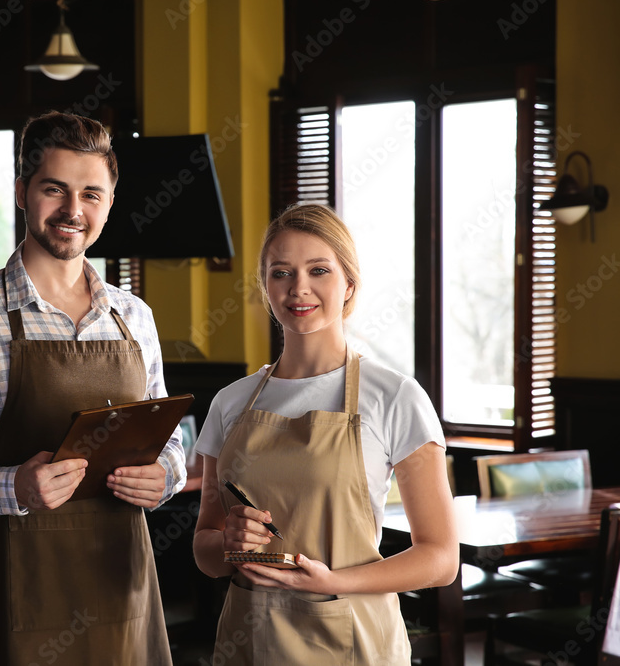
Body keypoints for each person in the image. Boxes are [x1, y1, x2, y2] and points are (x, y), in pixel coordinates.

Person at [0, 110, 185, 666]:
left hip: (125, 590)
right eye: (56, 190)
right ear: (23, 193)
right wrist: (11, 489)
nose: (74, 211)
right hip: (19, 596)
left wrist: (166, 475)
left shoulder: (134, 316)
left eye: (92, 194)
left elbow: (167, 440)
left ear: (109, 202)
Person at [192, 203, 458, 664]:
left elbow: (440, 558)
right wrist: (228, 541)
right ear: (265, 287)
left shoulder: (394, 397)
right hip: (249, 639)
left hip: (353, 638)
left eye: (319, 270)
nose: (299, 288)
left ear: (348, 284)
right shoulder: (230, 402)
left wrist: (333, 583)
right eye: (281, 273)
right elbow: (205, 549)